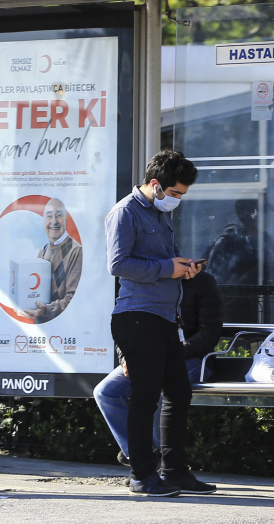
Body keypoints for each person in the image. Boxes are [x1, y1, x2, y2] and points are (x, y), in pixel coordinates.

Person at [105, 149, 214, 497]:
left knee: (179, 394)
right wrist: (169, 268)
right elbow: (118, 264)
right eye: (176, 193)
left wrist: (183, 266)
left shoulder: (159, 211)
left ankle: (176, 472)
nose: (179, 200)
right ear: (156, 184)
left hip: (165, 318)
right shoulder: (125, 212)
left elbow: (160, 259)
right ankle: (142, 475)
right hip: (137, 317)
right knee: (144, 398)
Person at [94, 267, 223, 462]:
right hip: (148, 356)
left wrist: (168, 354)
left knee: (164, 387)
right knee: (105, 392)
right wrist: (126, 357)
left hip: (193, 360)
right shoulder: (142, 281)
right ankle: (141, 456)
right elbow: (125, 325)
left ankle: (160, 460)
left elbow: (210, 333)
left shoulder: (202, 282)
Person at [19, 198, 83, 324]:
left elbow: (73, 299)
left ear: (66, 219)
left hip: (62, 327)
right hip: (42, 326)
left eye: (58, 216)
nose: (54, 221)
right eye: (49, 216)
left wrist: (45, 310)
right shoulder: (43, 250)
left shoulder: (76, 251)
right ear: (44, 220)